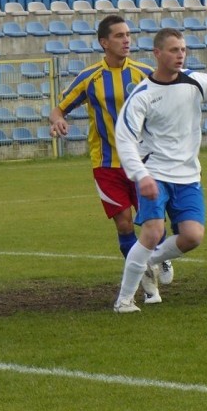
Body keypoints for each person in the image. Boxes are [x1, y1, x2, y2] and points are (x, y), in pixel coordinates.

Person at [112, 28, 207, 312]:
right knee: (153, 232)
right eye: (173, 50)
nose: (180, 55)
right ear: (157, 53)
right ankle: (124, 301)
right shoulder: (142, 95)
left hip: (189, 176)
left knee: (193, 237)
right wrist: (141, 175)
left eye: (183, 50)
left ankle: (148, 262)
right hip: (155, 173)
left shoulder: (195, 81)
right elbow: (125, 139)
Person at [49, 15, 175, 284]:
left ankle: (161, 256)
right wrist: (58, 119)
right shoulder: (90, 77)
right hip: (106, 164)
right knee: (124, 224)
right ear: (104, 42)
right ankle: (142, 278)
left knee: (154, 224)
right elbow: (59, 108)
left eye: (128, 34)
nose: (126, 40)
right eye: (119, 36)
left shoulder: (143, 73)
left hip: (143, 162)